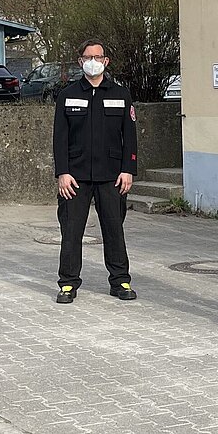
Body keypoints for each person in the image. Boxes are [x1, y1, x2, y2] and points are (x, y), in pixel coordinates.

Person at [53, 39, 139, 304]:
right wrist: (62, 172)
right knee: (71, 231)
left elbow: (130, 137)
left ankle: (120, 280)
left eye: (98, 56)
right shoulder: (67, 95)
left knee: (114, 229)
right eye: (88, 57)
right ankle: (68, 283)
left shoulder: (121, 94)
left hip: (112, 176)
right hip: (75, 177)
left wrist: (128, 169)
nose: (93, 61)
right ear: (80, 62)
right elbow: (59, 138)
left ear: (106, 61)